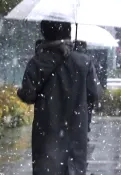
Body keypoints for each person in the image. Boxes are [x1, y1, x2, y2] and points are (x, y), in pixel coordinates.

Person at [17, 20, 100, 175]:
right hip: (76, 131)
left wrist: (20, 92)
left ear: (44, 33)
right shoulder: (83, 62)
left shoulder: (37, 62)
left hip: (47, 132)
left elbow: (28, 95)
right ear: (68, 32)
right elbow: (94, 94)